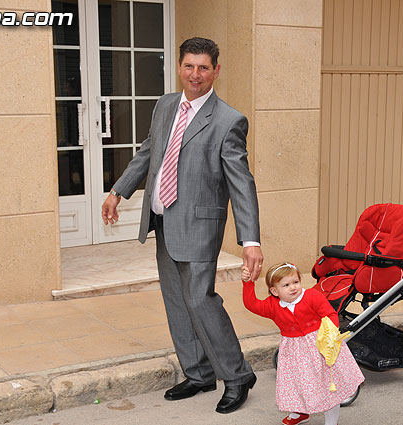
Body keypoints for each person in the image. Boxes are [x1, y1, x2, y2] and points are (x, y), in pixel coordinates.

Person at [101, 37, 263, 414]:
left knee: (200, 300)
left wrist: (250, 240)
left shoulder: (228, 120)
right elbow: (148, 151)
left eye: (204, 67)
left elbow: (242, 183)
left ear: (216, 71)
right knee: (176, 301)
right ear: (179, 67)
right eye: (189, 66)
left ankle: (238, 375)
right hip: (163, 220)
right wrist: (118, 191)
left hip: (200, 226)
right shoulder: (165, 106)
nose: (195, 74)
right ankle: (198, 372)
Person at [242, 262, 364, 425]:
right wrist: (247, 283)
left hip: (318, 345)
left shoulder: (312, 296)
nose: (293, 287)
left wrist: (330, 333)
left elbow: (329, 314)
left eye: (296, 282)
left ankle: (331, 421)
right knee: (297, 382)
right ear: (274, 291)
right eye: (286, 285)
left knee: (326, 385)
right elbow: (251, 304)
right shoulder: (272, 305)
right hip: (294, 350)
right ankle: (300, 412)